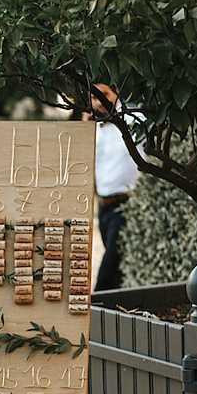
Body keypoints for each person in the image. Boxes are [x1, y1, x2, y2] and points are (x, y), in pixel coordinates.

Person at [86, 84, 141, 291]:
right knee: (117, 267)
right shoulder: (95, 127)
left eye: (104, 95)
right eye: (93, 97)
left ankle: (98, 307)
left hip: (126, 205)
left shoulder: (134, 120)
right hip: (103, 207)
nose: (98, 102)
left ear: (117, 92)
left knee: (108, 270)